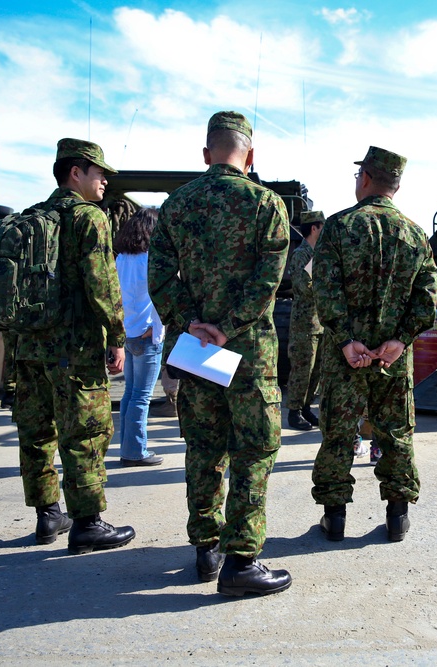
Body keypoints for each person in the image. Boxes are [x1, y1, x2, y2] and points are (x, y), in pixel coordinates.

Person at [148, 111, 292, 597]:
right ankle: (242, 560)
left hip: (192, 351)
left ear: (206, 153)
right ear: (249, 156)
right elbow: (268, 281)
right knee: (253, 449)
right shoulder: (266, 203)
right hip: (248, 353)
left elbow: (161, 279)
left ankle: (206, 549)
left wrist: (193, 323)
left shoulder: (176, 205)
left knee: (203, 448)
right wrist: (227, 328)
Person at [311, 146, 437, 543]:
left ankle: (335, 518)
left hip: (344, 356)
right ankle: (397, 516)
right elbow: (426, 297)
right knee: (396, 431)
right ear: (396, 185)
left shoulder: (338, 227)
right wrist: (400, 340)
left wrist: (347, 340)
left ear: (365, 177)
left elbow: (324, 290)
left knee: (337, 432)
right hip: (392, 358)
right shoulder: (416, 234)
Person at [14, 138, 135, 554]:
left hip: (29, 345)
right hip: (75, 348)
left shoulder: (32, 217)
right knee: (84, 432)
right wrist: (117, 336)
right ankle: (87, 523)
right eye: (99, 173)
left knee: (36, 431)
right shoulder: (89, 218)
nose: (105, 181)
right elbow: (102, 285)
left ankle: (48, 515)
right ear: (75, 172)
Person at [114, 207, 164, 467]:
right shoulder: (151, 260)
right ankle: (136, 451)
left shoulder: (121, 258)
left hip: (127, 334)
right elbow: (159, 300)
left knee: (130, 394)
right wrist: (156, 330)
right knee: (141, 397)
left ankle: (128, 447)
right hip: (147, 335)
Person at [286, 210, 325, 431]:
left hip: (319, 322)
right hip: (305, 323)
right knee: (302, 369)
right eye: (322, 227)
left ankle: (307, 407)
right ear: (314, 228)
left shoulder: (317, 253)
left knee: (316, 370)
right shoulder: (302, 254)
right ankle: (294, 411)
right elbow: (303, 286)